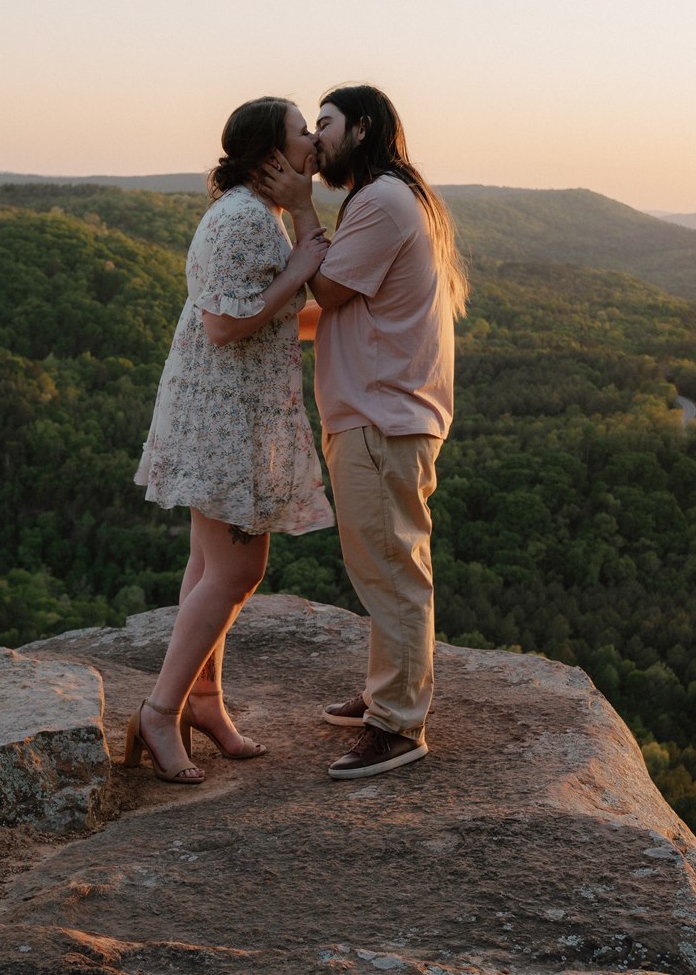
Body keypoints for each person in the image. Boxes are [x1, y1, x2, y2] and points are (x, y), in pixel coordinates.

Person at [257, 83, 466, 780]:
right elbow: (348, 311)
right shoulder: (391, 198)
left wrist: (299, 209)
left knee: (390, 569)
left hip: (381, 415)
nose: (316, 140)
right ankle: (388, 693)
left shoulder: (378, 201)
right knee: (384, 562)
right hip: (385, 412)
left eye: (327, 124)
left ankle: (399, 725)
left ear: (364, 127)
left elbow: (331, 292)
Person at [126, 97, 335, 784]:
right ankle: (159, 711)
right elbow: (223, 323)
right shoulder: (246, 218)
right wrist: (299, 272)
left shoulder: (256, 215)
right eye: (301, 130)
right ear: (270, 156)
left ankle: (204, 703)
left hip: (225, 411)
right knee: (238, 573)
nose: (312, 139)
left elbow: (264, 317)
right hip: (226, 419)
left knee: (207, 569)